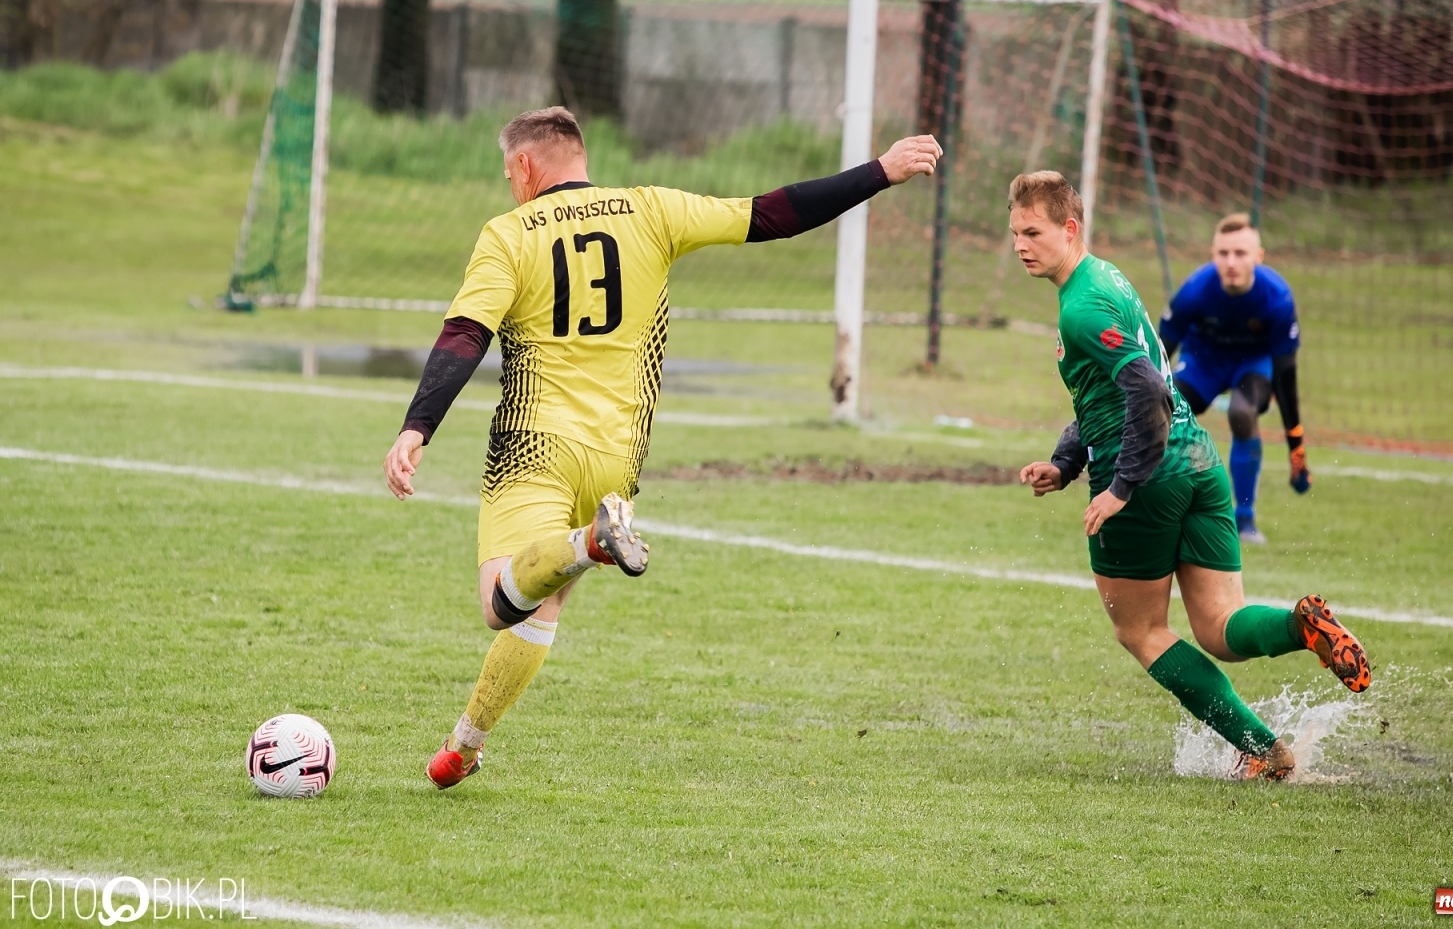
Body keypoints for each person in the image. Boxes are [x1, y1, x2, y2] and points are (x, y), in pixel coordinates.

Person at [382, 106, 943, 788]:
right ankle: (463, 748)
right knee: (547, 595)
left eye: (509, 173)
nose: (511, 185)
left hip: (535, 447)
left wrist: (417, 427)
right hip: (618, 458)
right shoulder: (651, 209)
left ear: (526, 167)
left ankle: (591, 543)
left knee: (502, 602)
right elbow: (773, 213)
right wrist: (880, 172)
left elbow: (466, 334)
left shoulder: (508, 234)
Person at [1009, 172, 1367, 781]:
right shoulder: (1106, 276)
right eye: (1014, 232)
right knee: (1221, 628)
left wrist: (1121, 487)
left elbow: (1146, 388)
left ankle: (1265, 750)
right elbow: (1109, 392)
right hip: (1199, 461)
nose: (1021, 244)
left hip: (1147, 478)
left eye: (1033, 232)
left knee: (1142, 630)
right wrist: (1067, 462)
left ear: (1069, 228)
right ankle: (1302, 626)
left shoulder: (1081, 307)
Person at [1158, 214, 1309, 544]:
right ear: (1213, 254)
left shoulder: (1277, 298)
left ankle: (1244, 522)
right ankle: (1159, 507)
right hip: (1203, 362)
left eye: (1240, 253)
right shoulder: (1195, 290)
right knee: (1164, 409)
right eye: (1223, 253)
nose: (1231, 262)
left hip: (1252, 365)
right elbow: (1159, 353)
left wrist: (1297, 452)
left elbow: (1285, 379)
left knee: (1242, 413)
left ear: (1259, 256)